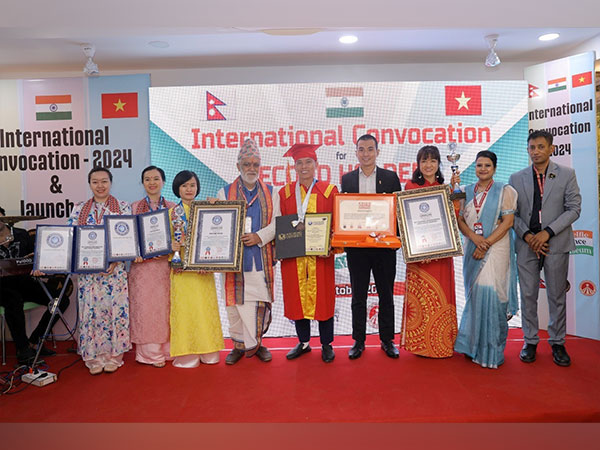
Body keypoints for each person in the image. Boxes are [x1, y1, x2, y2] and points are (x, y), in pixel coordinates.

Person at [509, 130, 581, 367]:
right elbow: (513, 215)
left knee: (556, 295)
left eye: (541, 147)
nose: (536, 152)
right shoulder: (516, 178)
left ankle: (558, 342)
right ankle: (530, 341)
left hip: (556, 242)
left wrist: (547, 232)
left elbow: (573, 209)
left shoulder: (567, 174)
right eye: (532, 147)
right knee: (528, 294)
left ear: (551, 149)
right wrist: (529, 235)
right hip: (527, 243)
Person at [216, 139, 279, 365]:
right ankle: (238, 345)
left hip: (261, 259)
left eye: (255, 164)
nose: (251, 169)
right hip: (234, 262)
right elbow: (219, 226)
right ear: (238, 166)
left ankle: (257, 343)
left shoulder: (273, 193)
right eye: (247, 164)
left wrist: (259, 237)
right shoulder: (223, 193)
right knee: (235, 305)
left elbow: (276, 223)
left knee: (259, 303)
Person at [454, 151, 519, 368]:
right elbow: (460, 220)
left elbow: (508, 222)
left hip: (496, 249)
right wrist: (475, 239)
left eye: (487, 165)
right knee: (477, 294)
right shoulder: (465, 191)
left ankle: (491, 351)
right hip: (473, 247)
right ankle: (473, 346)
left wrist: (486, 243)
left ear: (495, 168)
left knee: (494, 294)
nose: (483, 169)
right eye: (479, 165)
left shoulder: (505, 191)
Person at [340, 134, 401, 359]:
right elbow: (343, 212)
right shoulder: (347, 180)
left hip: (384, 249)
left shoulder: (390, 177)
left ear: (378, 151)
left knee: (386, 295)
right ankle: (359, 341)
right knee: (358, 296)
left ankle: (387, 340)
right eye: (361, 149)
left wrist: (396, 241)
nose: (366, 154)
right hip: (357, 250)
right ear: (356, 152)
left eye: (370, 149)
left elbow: (398, 212)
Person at [67, 167, 131, 375]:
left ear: (111, 183)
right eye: (95, 182)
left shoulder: (122, 207)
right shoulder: (78, 209)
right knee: (91, 313)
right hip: (89, 274)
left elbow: (128, 239)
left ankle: (114, 356)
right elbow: (72, 240)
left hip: (115, 272)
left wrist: (114, 261)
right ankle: (93, 357)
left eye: (104, 181)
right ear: (90, 184)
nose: (100, 186)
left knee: (115, 312)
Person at [279, 143, 338, 363]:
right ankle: (303, 342)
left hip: (320, 258)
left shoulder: (329, 190)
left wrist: (331, 244)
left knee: (323, 299)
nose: (304, 167)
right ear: (294, 167)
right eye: (299, 163)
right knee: (297, 299)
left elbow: (337, 224)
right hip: (294, 259)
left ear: (316, 164)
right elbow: (279, 226)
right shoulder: (284, 193)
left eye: (308, 162)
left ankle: (326, 344)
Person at [400, 145, 459, 358]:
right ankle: (420, 344)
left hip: (441, 255)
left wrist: (455, 194)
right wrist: (419, 250)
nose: (428, 165)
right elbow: (405, 220)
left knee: (441, 295)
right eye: (424, 161)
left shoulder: (445, 187)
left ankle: (441, 343)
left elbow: (454, 216)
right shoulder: (410, 186)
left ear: (438, 164)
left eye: (433, 161)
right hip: (419, 255)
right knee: (421, 299)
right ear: (418, 164)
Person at [0, 206, 70, 365]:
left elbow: (37, 257)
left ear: (5, 216)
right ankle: (23, 349)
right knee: (13, 300)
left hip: (24, 282)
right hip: (2, 287)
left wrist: (36, 262)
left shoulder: (21, 234)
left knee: (60, 300)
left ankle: (35, 340)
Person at [169, 170, 224, 367]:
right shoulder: (172, 213)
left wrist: (208, 263)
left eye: (192, 185)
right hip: (182, 271)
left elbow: (218, 236)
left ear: (197, 187)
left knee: (204, 310)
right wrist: (171, 247)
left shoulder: (207, 209)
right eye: (184, 186)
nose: (189, 189)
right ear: (178, 188)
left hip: (203, 271)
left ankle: (209, 349)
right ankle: (187, 353)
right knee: (186, 311)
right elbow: (165, 242)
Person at [128, 166, 175, 368]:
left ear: (163, 181)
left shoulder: (173, 207)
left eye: (156, 178)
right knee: (146, 309)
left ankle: (169, 351)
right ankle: (150, 354)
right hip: (143, 269)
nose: (152, 182)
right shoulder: (133, 208)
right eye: (147, 179)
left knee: (166, 308)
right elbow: (126, 238)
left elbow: (179, 236)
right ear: (143, 183)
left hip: (166, 267)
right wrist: (133, 253)